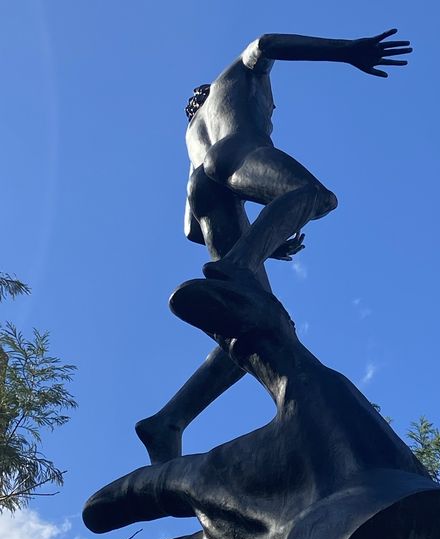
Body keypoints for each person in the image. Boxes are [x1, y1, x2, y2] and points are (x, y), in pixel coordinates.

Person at [136, 29, 412, 464]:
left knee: (255, 326)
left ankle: (168, 421)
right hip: (235, 151)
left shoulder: (192, 136)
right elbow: (264, 44)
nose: (273, 110)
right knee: (314, 195)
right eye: (273, 107)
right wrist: (347, 51)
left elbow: (191, 229)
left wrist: (266, 241)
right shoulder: (237, 79)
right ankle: (240, 267)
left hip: (201, 190)